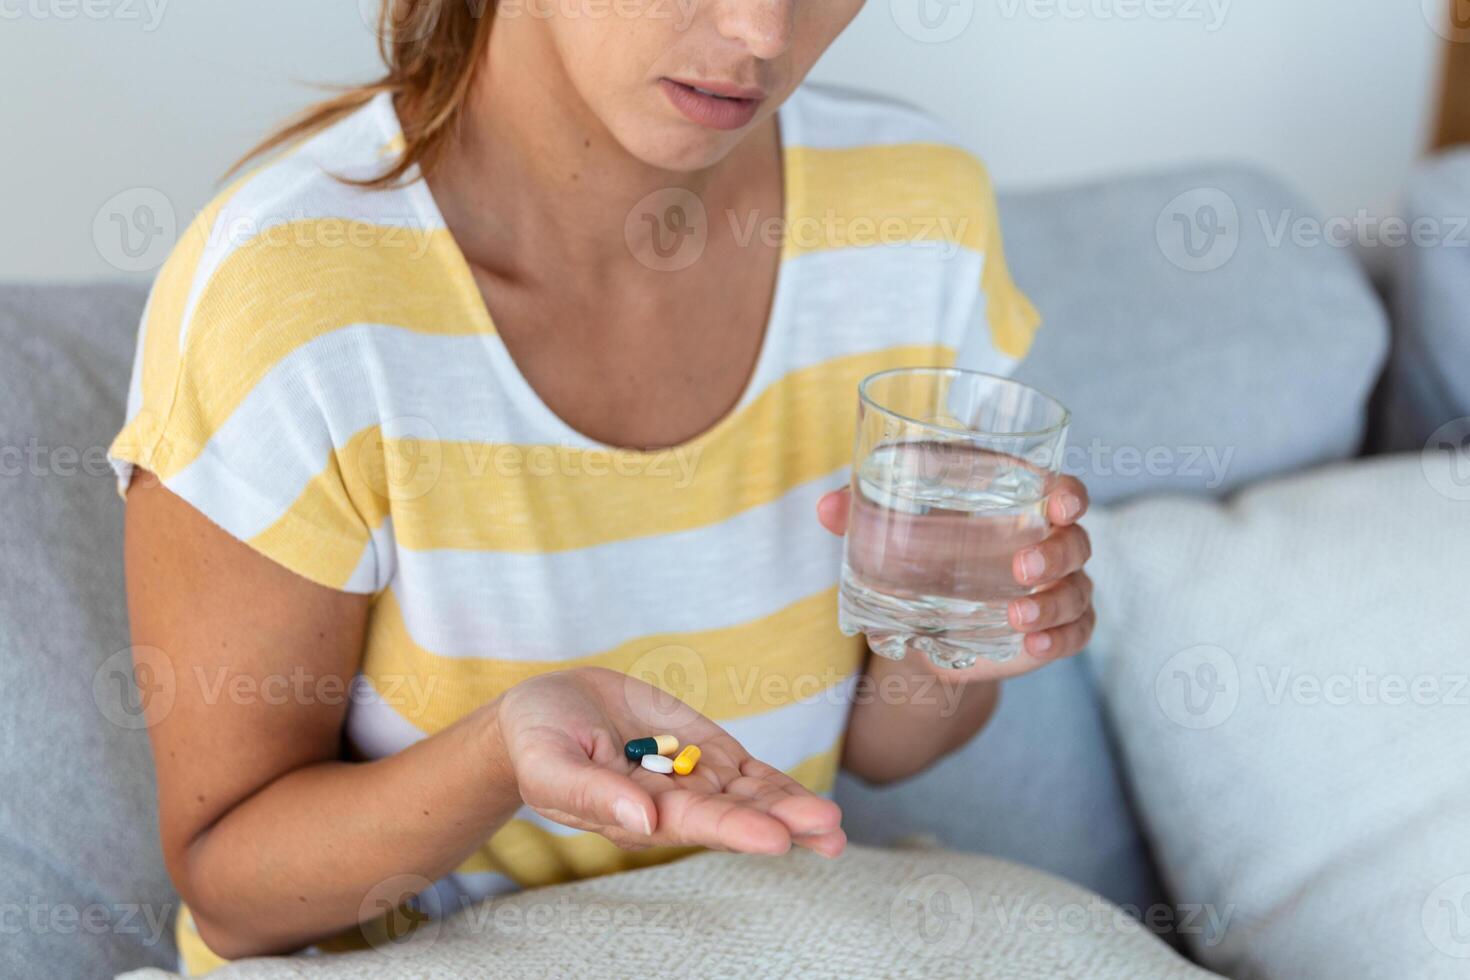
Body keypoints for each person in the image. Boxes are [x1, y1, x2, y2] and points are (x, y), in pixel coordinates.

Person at [110, 0, 1095, 972]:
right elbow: (231, 892)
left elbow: (884, 749)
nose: (763, 32)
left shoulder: (915, 213)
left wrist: (955, 633)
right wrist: (499, 756)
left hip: (762, 935)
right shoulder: (290, 295)